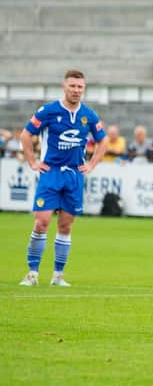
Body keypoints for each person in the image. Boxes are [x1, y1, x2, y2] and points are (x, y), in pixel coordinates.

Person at [19, 70, 107, 287]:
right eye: (72, 86)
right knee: (41, 222)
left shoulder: (88, 115)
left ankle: (58, 275)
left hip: (74, 175)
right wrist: (32, 162)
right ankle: (32, 273)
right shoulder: (48, 111)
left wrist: (92, 163)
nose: (76, 91)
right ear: (64, 86)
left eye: (80, 87)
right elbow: (25, 135)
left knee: (65, 227)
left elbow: (102, 141)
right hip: (51, 173)